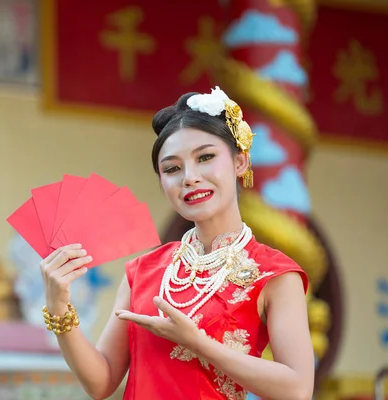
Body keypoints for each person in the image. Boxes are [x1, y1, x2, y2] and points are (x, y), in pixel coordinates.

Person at [39, 87, 315, 400]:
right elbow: (101, 382)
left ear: (240, 162)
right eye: (172, 168)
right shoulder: (143, 271)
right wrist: (58, 307)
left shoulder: (275, 274)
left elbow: (298, 389)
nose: (189, 177)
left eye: (206, 157)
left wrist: (197, 342)